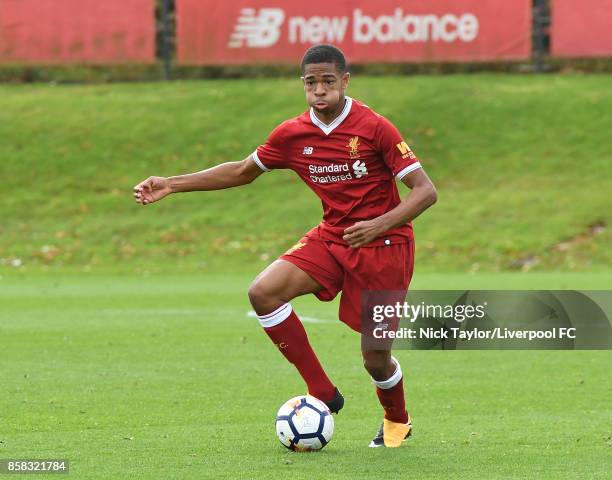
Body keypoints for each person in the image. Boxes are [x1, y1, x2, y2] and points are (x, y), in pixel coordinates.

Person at [133, 44, 437, 448]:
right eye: (311, 83)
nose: (320, 90)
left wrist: (377, 224)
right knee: (263, 292)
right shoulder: (293, 134)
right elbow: (242, 171)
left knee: (375, 357)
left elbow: (425, 192)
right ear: (303, 85)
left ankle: (397, 418)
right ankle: (323, 391)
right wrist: (172, 183)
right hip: (333, 237)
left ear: (345, 82)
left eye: (329, 81)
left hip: (385, 245)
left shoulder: (375, 127)